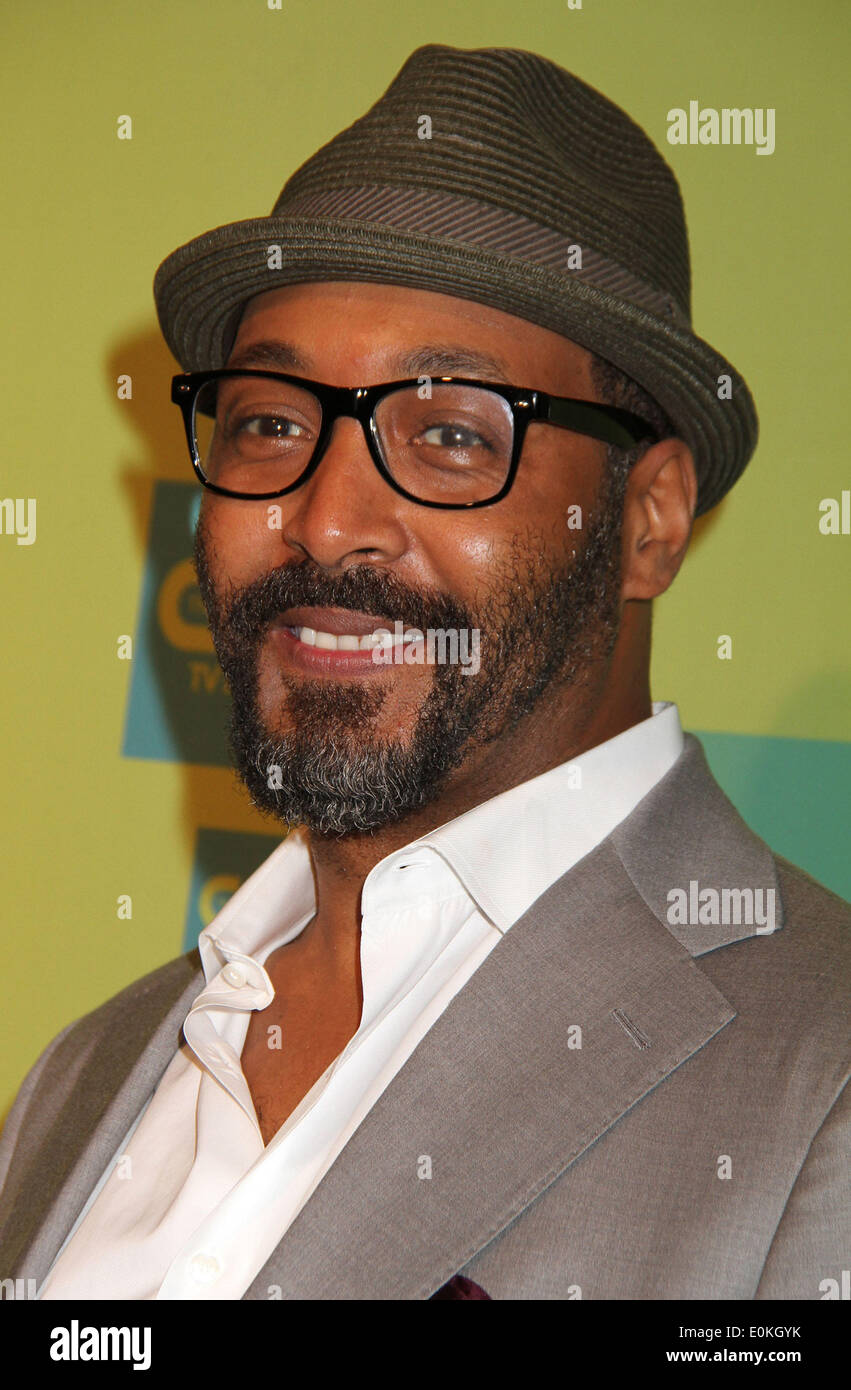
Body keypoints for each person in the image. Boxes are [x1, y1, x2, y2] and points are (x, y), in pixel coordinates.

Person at [0, 43, 847, 1302]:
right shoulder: (83, 1075)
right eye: (270, 421)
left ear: (646, 520)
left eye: (450, 433)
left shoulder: (816, 1073)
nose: (326, 518)